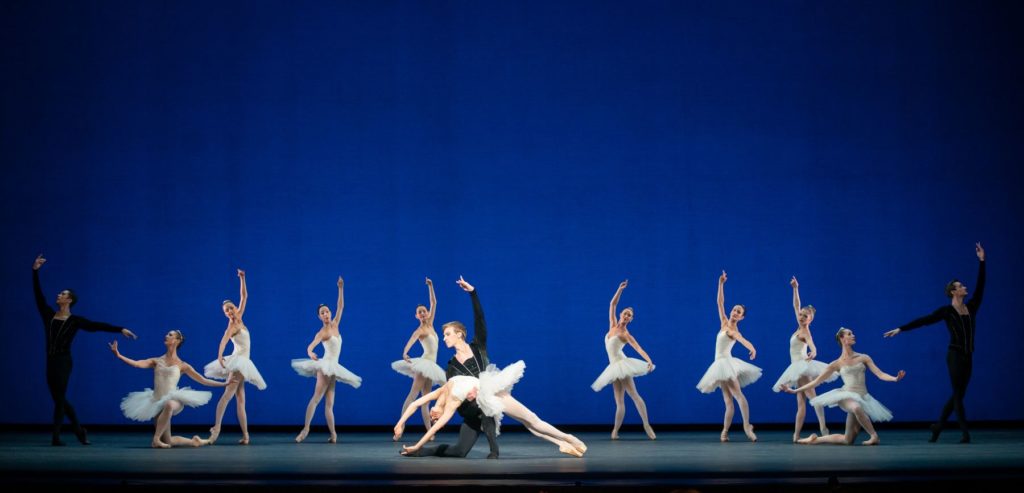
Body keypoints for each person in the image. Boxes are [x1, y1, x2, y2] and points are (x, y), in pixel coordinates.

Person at [884, 243, 985, 443]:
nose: (965, 288)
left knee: (959, 393)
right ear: (954, 292)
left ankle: (938, 426)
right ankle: (965, 433)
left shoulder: (971, 307)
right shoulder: (946, 312)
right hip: (954, 355)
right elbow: (925, 320)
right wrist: (901, 328)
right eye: (961, 286)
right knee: (957, 394)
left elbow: (981, 287)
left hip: (968, 355)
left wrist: (982, 261)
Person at [32, 254, 137, 446]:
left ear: (69, 300)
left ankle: (55, 437)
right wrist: (35, 271)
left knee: (60, 397)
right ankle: (79, 430)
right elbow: (39, 297)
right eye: (59, 294)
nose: (58, 295)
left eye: (62, 294)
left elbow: (96, 325)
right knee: (59, 398)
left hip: (64, 361)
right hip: (50, 361)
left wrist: (120, 329)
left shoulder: (75, 321)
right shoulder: (49, 316)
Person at [393, 361, 586, 458]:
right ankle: (563, 442)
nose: (434, 417)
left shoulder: (440, 392)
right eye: (436, 418)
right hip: (490, 397)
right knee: (529, 423)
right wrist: (418, 446)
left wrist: (400, 424)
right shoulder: (450, 404)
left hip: (491, 389)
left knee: (531, 420)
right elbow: (434, 430)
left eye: (433, 416)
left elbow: (415, 404)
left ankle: (568, 438)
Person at [399, 276, 500, 459]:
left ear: (459, 334)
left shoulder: (478, 347)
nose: (444, 338)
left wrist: (473, 293)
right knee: (459, 452)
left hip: (487, 403)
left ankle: (494, 450)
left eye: (447, 334)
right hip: (470, 410)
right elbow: (450, 393)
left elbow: (480, 320)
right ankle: (421, 450)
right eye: (443, 335)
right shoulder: (451, 366)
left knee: (485, 405)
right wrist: (439, 408)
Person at [783, 328, 906, 445]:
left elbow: (880, 374)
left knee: (848, 440)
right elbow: (815, 382)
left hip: (862, 396)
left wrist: (895, 378)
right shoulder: (836, 364)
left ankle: (813, 440)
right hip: (846, 395)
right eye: (849, 334)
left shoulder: (863, 357)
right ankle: (874, 436)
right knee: (856, 407)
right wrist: (795, 391)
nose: (853, 335)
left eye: (852, 333)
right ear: (842, 339)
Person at [111, 331, 226, 448]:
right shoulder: (156, 361)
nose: (166, 335)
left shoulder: (183, 365)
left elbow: (203, 380)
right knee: (168, 440)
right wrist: (119, 355)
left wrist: (224, 384)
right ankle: (197, 441)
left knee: (169, 404)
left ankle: (155, 439)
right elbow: (137, 363)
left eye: (170, 335)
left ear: (177, 341)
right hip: (156, 402)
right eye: (166, 334)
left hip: (174, 399)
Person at [292, 277, 361, 443]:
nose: (326, 314)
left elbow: (341, 306)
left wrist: (340, 288)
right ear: (319, 317)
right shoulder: (322, 332)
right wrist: (310, 353)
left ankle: (334, 434)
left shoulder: (336, 323)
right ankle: (305, 429)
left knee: (329, 403)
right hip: (325, 366)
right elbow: (311, 346)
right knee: (316, 398)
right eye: (322, 313)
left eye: (327, 311)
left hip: (334, 367)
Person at [696, 271, 761, 442]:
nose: (734, 312)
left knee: (737, 395)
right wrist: (721, 284)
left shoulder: (733, 331)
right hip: (718, 364)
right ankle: (724, 432)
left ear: (742, 317)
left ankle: (747, 426)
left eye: (738, 312)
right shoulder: (724, 322)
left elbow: (742, 339)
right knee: (728, 401)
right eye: (734, 309)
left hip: (726, 363)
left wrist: (752, 348)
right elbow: (719, 302)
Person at [205, 269, 267, 445]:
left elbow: (244, 296)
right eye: (226, 311)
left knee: (241, 400)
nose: (230, 312)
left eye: (231, 308)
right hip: (239, 362)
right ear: (225, 314)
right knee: (227, 395)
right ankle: (216, 429)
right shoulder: (232, 326)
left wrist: (242, 278)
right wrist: (219, 355)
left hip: (243, 361)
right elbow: (224, 340)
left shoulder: (240, 318)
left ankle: (246, 436)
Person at [772, 277, 836, 442]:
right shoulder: (798, 326)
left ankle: (823, 428)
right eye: (801, 315)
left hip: (801, 366)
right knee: (802, 402)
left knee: (812, 398)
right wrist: (795, 289)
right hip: (795, 366)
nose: (801, 317)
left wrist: (813, 352)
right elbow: (796, 305)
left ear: (810, 320)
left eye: (805, 316)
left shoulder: (805, 332)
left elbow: (812, 345)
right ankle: (796, 435)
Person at [591, 280, 656, 440]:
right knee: (619, 401)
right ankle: (615, 431)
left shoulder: (625, 334)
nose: (626, 316)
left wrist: (648, 360)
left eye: (630, 316)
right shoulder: (612, 325)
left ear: (631, 320)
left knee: (633, 394)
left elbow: (638, 348)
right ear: (621, 314)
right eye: (625, 313)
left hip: (621, 364)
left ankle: (647, 425)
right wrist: (619, 289)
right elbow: (612, 304)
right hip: (613, 366)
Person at [391, 278, 446, 433]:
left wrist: (431, 286)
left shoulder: (431, 324)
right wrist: (405, 352)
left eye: (424, 311)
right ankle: (400, 426)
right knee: (413, 395)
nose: (423, 313)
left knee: (425, 400)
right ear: (416, 316)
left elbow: (434, 302)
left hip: (431, 366)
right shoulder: (420, 330)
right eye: (419, 312)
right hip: (424, 365)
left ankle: (430, 430)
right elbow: (411, 340)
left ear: (427, 313)